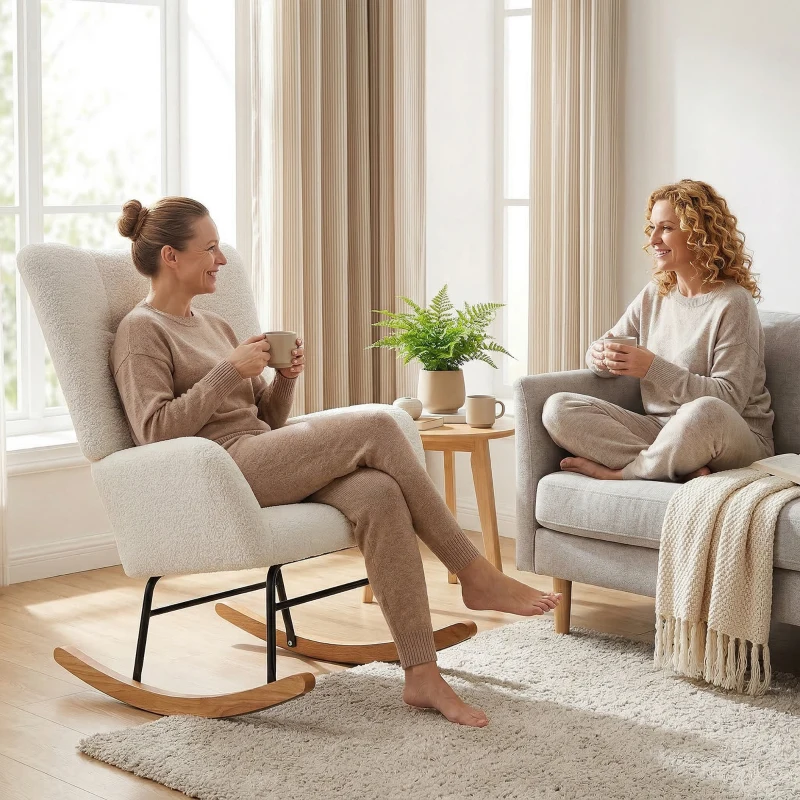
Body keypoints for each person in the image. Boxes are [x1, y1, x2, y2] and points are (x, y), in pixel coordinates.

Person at [111, 196, 561, 728]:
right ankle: (473, 569)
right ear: (170, 256)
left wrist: (285, 380)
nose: (221, 260)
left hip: (260, 453)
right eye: (209, 249)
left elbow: (267, 422)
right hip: (220, 473)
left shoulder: (216, 326)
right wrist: (229, 373)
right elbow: (155, 431)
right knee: (377, 424)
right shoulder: (141, 332)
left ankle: (422, 674)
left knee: (379, 493)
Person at [542, 179, 774, 482]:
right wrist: (599, 354)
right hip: (663, 432)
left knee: (704, 411)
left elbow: (728, 400)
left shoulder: (734, 303)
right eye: (652, 228)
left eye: (666, 228)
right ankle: (675, 466)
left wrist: (653, 368)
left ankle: (624, 473)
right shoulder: (656, 294)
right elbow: (605, 357)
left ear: (700, 234)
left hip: (732, 436)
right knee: (557, 408)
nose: (653, 239)